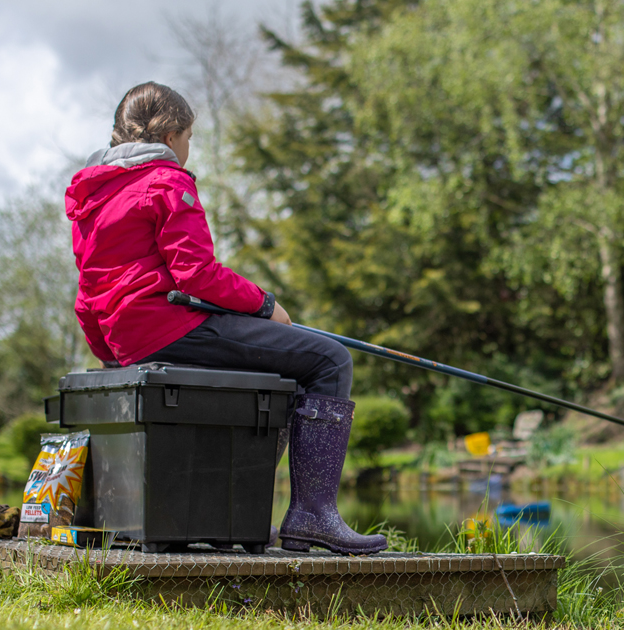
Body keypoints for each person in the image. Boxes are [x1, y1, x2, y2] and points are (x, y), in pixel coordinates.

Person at [65, 82, 386, 555]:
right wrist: (265, 305)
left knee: (280, 378)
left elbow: (89, 291)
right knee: (329, 360)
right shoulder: (166, 180)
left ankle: (236, 516)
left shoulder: (93, 196)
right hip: (169, 327)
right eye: (190, 137)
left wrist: (113, 357)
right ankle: (313, 516)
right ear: (172, 135)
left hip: (128, 339)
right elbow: (197, 275)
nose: (188, 149)